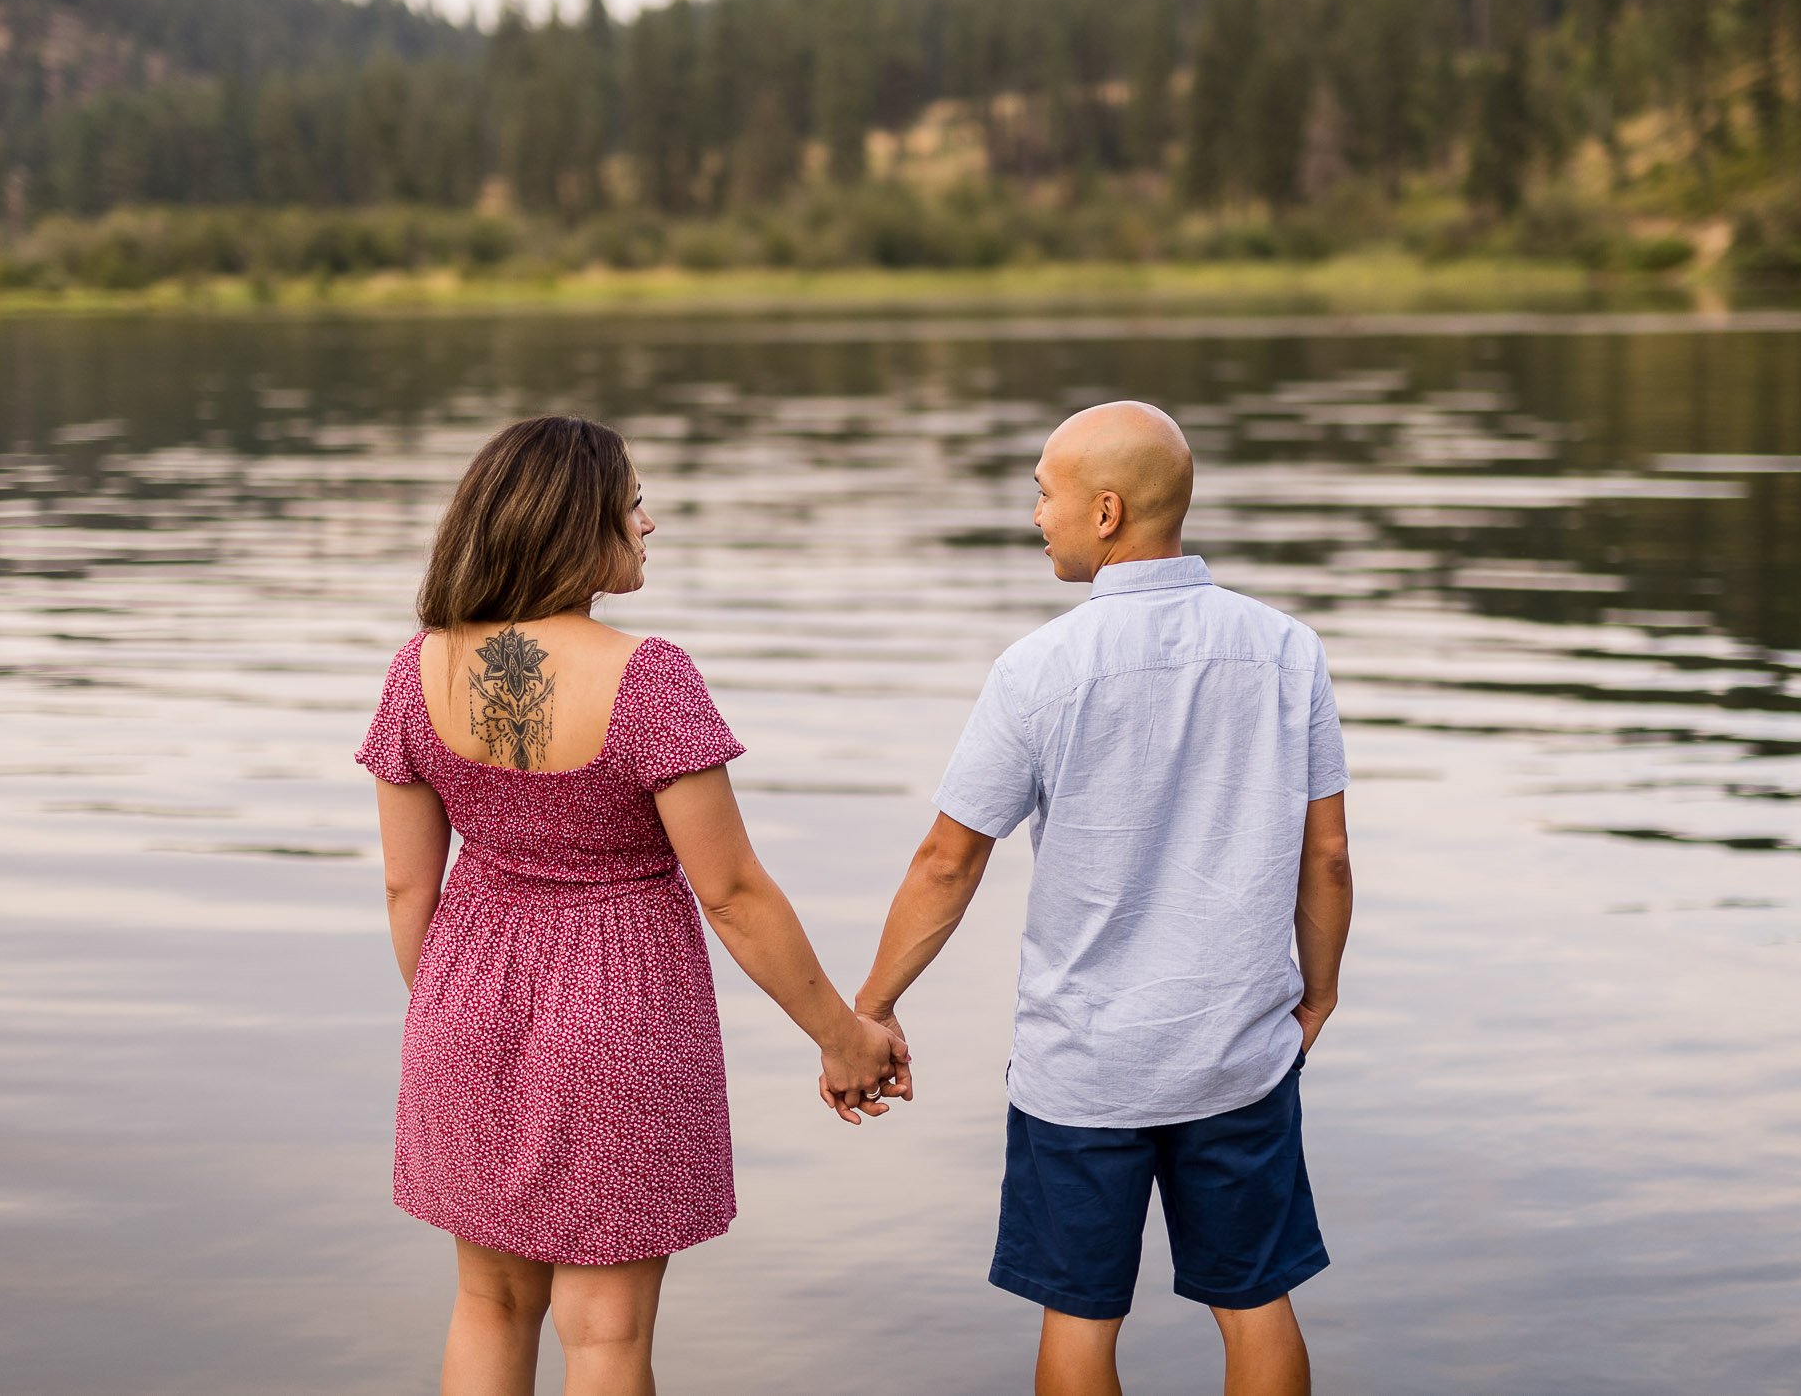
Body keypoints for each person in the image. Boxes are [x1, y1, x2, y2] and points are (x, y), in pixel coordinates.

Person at [357, 415, 904, 1396]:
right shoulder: (649, 676)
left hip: (463, 1004)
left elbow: (407, 886)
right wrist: (842, 1035)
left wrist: (450, 1009)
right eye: (633, 504)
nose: (648, 524)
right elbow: (732, 891)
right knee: (604, 1333)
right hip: (619, 1011)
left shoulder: (417, 669)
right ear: (575, 522)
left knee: (490, 1302)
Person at [855, 401, 1354, 1396]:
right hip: (1238, 1052)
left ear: (1108, 510)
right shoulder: (1286, 649)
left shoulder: (1039, 668)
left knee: (1081, 1319)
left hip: (1083, 1067)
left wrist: (870, 1007)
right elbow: (1328, 856)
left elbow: (948, 861)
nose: (1035, 515)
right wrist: (1319, 992)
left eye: (1045, 494)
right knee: (1256, 1301)